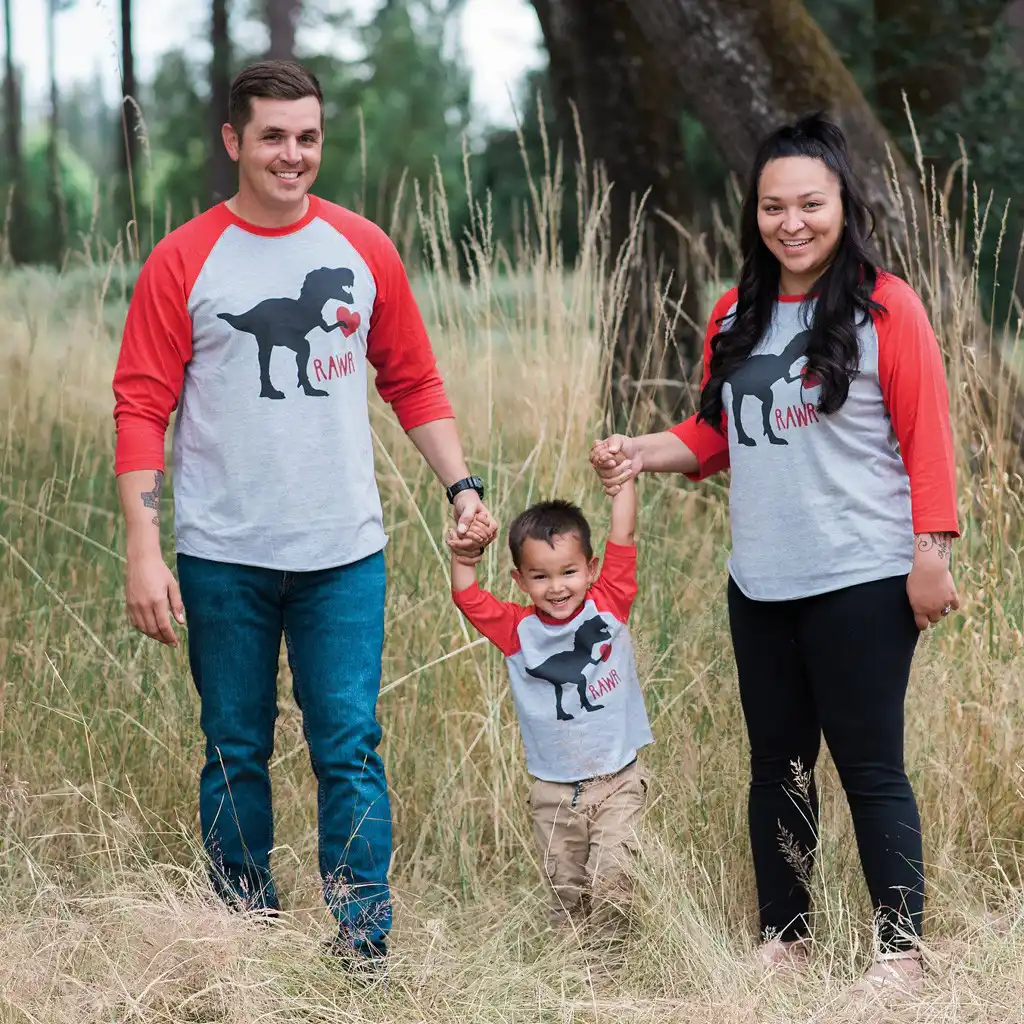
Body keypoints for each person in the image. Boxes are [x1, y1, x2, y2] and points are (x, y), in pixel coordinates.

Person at [111, 59, 496, 967]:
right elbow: (141, 405)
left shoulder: (364, 250)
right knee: (235, 746)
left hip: (342, 555)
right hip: (222, 554)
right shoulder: (184, 260)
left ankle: (361, 940)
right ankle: (244, 930)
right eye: (274, 136)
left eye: (309, 137)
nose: (294, 154)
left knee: (349, 746)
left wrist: (463, 487)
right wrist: (144, 544)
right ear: (234, 141)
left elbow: (413, 379)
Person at [591, 113, 959, 995]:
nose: (792, 223)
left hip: (864, 576)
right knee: (777, 764)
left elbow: (928, 439)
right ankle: (784, 939)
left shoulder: (886, 306)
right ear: (753, 211)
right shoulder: (736, 311)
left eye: (811, 204)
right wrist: (642, 449)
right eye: (772, 206)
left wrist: (931, 552)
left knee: (869, 767)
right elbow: (716, 436)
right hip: (759, 580)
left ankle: (900, 952)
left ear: (843, 203)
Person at [446, 481, 653, 940]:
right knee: (565, 891)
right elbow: (469, 598)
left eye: (568, 572)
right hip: (553, 792)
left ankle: (610, 968)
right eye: (540, 576)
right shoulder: (518, 631)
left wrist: (624, 476)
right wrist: (465, 558)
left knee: (613, 877)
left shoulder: (609, 603)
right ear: (520, 580)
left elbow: (624, 532)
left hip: (616, 779)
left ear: (590, 568)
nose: (557, 588)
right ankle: (572, 974)